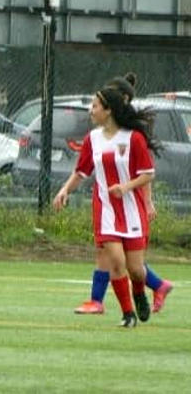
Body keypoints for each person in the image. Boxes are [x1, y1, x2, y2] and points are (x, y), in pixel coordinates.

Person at [53, 82, 162, 328]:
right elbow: (81, 172)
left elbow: (148, 174)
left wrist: (125, 187)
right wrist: (64, 190)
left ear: (108, 110)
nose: (90, 111)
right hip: (106, 211)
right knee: (116, 262)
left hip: (132, 211)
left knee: (136, 270)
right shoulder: (92, 139)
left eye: (94, 106)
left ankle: (139, 293)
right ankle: (128, 314)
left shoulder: (133, 138)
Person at [72, 73, 173, 315]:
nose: (95, 107)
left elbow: (143, 172)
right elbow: (85, 169)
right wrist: (66, 190)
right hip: (107, 201)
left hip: (128, 204)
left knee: (130, 263)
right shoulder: (100, 135)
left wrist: (148, 201)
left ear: (122, 100)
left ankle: (152, 287)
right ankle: (99, 301)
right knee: (108, 253)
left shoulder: (131, 135)